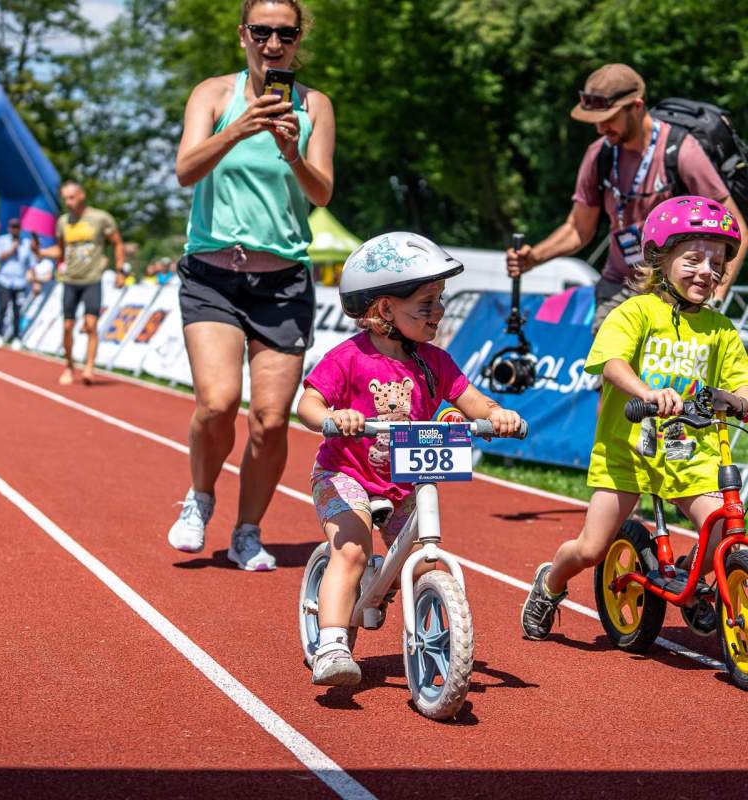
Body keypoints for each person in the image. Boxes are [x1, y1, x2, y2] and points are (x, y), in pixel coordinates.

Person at [296, 232, 522, 686]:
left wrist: (497, 414)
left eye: (440, 300)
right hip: (345, 475)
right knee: (352, 549)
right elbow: (308, 405)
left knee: (422, 560)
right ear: (384, 309)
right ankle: (332, 643)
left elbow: (472, 400)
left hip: (403, 481)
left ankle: (431, 632)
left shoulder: (435, 362)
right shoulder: (348, 358)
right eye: (426, 304)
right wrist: (333, 417)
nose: (439, 311)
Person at [520, 195, 748, 642]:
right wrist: (647, 392)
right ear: (661, 259)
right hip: (628, 449)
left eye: (717, 263)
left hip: (689, 452)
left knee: (723, 525)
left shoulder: (720, 330)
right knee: (592, 548)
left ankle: (693, 580)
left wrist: (739, 401)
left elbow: (740, 384)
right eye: (693, 259)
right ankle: (550, 583)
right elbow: (611, 363)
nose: (707, 271)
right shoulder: (636, 311)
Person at [165, 0, 336, 571]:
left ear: (298, 39)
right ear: (243, 35)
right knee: (217, 403)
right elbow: (186, 170)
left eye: (285, 33)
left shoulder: (315, 106)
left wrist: (292, 153)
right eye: (261, 31)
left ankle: (248, 531)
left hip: (282, 283)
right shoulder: (213, 95)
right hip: (212, 276)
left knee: (270, 419)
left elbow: (321, 193)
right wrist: (238, 130)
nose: (273, 44)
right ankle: (200, 496)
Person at [507, 64, 748, 333]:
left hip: (671, 292)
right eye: (596, 120)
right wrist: (534, 257)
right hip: (617, 287)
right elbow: (578, 228)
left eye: (609, 118)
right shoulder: (599, 154)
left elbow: (735, 226)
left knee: (663, 362)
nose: (601, 128)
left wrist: (713, 300)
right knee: (609, 357)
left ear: (637, 106)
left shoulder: (680, 151)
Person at [39, 181, 125, 385]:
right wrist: (40, 252)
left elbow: (117, 243)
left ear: (81, 196)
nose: (68, 202)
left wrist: (120, 270)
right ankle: (69, 366)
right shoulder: (63, 222)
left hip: (92, 279)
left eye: (71, 197)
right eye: (65, 199)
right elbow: (60, 251)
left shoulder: (100, 218)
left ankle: (89, 368)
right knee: (68, 326)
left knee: (91, 324)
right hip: (70, 280)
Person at [0, 218, 36, 350]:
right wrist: (11, 250)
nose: (15, 229)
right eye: (13, 227)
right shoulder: (1, 240)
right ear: (9, 228)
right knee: (3, 307)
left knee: (17, 311)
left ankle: (16, 337)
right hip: (4, 280)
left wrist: (34, 279)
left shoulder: (26, 243)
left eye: (17, 227)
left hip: (20, 282)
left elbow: (32, 263)